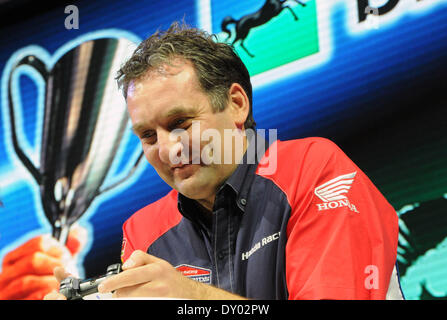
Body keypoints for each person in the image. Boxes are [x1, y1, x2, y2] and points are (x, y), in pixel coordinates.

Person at [45, 21, 403, 300]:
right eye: (149, 136)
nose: (168, 150)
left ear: (236, 104)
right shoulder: (142, 230)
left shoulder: (313, 167)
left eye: (180, 124)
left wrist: (190, 297)